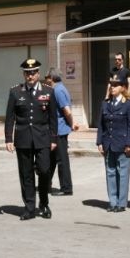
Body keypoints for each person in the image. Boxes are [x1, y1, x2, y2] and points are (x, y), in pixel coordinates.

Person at [5, 58, 58, 220]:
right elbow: (10, 117)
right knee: (26, 174)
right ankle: (29, 207)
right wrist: (8, 138)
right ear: (24, 74)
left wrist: (53, 138)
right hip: (23, 139)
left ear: (38, 73)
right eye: (27, 73)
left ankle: (43, 203)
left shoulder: (48, 92)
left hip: (42, 138)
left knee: (44, 171)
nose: (30, 76)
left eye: (33, 72)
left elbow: (52, 118)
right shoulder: (15, 92)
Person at [97, 75, 130, 212]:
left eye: (116, 85)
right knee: (110, 173)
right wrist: (99, 142)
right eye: (111, 84)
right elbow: (101, 125)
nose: (112, 87)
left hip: (123, 144)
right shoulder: (105, 104)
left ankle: (121, 203)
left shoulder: (129, 104)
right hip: (108, 143)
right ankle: (112, 201)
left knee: (123, 173)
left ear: (123, 87)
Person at [47, 67, 77, 196]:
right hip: (57, 129)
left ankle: (66, 188)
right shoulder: (60, 88)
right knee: (52, 159)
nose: (46, 80)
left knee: (61, 160)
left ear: (52, 78)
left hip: (59, 129)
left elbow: (66, 110)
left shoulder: (57, 90)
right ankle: (46, 183)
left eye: (47, 77)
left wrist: (72, 123)